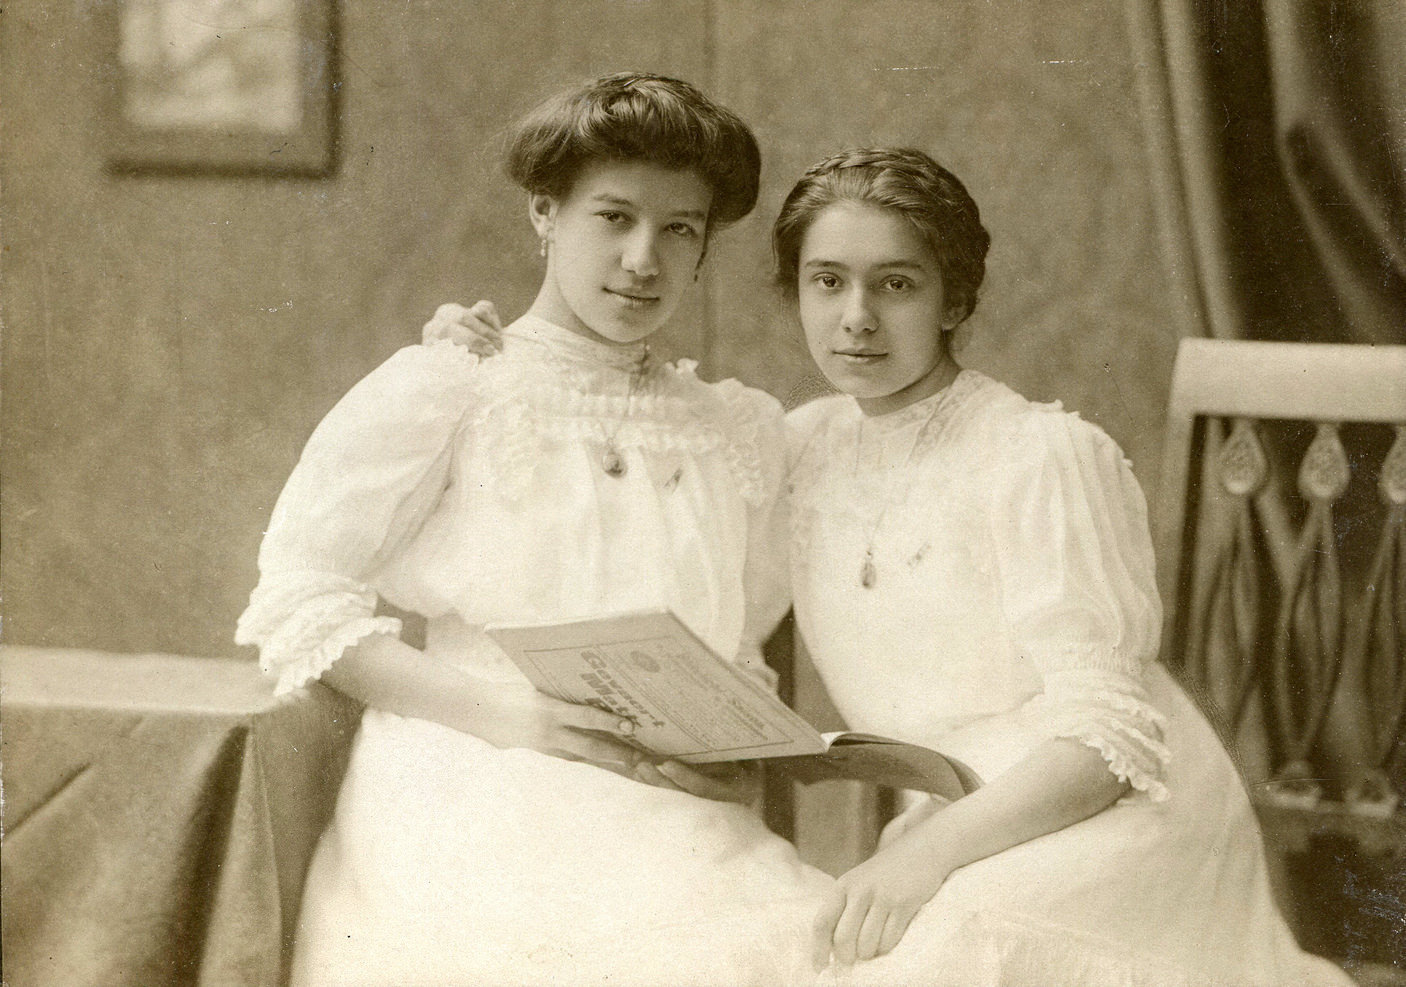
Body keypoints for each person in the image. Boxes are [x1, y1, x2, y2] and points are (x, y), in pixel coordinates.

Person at [428, 147, 1355, 986]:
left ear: (955, 301)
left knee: (934, 960)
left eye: (897, 284)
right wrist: (491, 355)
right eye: (826, 282)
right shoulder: (796, 446)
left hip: (1097, 819)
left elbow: (1109, 741)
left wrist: (929, 852)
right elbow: (629, 458)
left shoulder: (1040, 455)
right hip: (943, 822)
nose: (857, 319)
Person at [236, 72, 833, 987]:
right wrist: (511, 718)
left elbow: (740, 638)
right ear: (544, 213)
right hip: (470, 786)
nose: (644, 259)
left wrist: (738, 756)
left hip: (673, 805)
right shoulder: (451, 385)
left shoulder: (734, 428)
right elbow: (300, 603)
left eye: (680, 229)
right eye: (614, 216)